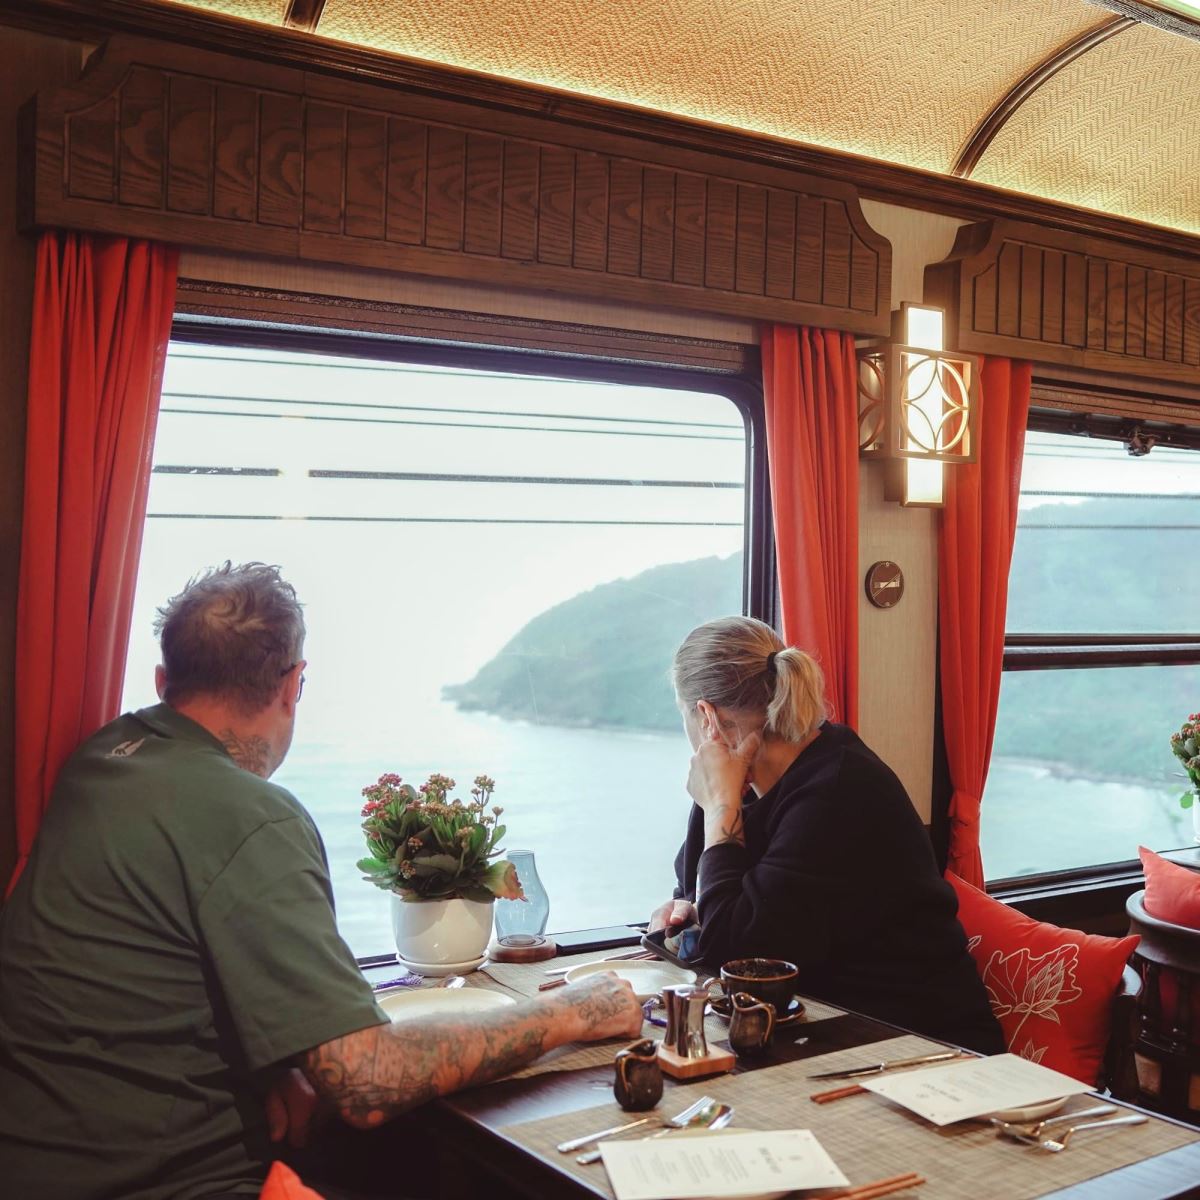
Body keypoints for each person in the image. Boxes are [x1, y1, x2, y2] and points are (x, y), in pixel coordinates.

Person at [0, 562, 642, 1200]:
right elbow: (369, 1081)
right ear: (293, 685)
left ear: (164, 680)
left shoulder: (103, 757)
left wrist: (277, 1063)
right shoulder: (250, 816)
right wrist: (570, 1012)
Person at [648, 615, 1003, 1055]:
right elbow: (705, 891)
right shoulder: (740, 782)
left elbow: (736, 953)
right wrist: (688, 909)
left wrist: (720, 807)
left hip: (920, 1043)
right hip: (822, 1029)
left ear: (706, 718)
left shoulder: (838, 789)